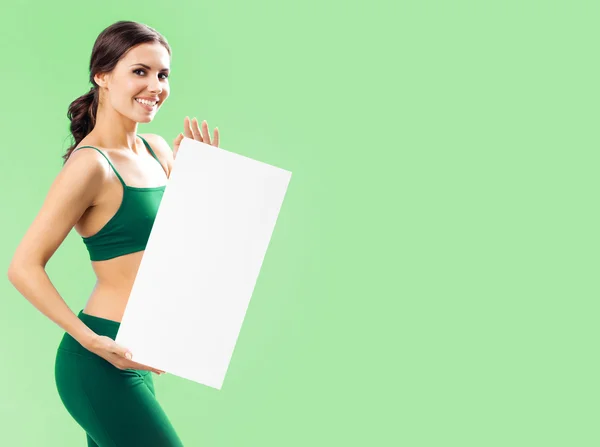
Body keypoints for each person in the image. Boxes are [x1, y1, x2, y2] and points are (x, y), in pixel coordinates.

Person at [7, 20, 219, 446]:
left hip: (139, 354)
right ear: (102, 76)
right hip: (98, 360)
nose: (155, 85)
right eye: (139, 71)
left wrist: (206, 180)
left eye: (163, 75)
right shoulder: (90, 166)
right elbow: (23, 267)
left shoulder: (158, 150)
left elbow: (184, 250)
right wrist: (90, 340)